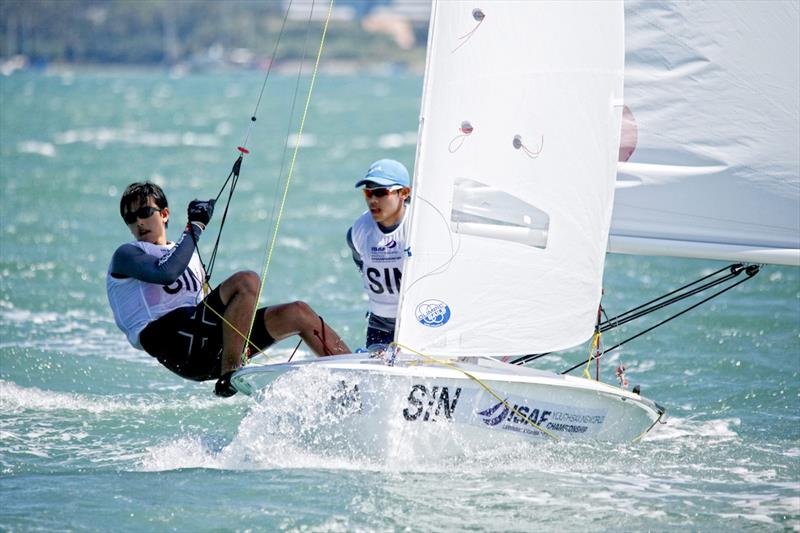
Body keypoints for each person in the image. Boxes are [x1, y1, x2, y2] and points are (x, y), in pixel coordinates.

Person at [106, 182, 350, 397]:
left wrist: (192, 233)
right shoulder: (127, 255)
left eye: (145, 212)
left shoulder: (186, 255)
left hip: (207, 346)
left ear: (165, 214)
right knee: (247, 281)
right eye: (130, 218)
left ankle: (353, 378)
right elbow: (165, 272)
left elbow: (203, 299)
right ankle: (232, 372)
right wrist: (195, 227)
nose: (138, 222)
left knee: (299, 313)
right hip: (174, 345)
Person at [346, 159, 412, 348]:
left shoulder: (418, 226)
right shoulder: (358, 231)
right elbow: (362, 266)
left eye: (381, 192)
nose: (373, 200)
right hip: (380, 324)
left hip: (417, 320)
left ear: (404, 193)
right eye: (368, 192)